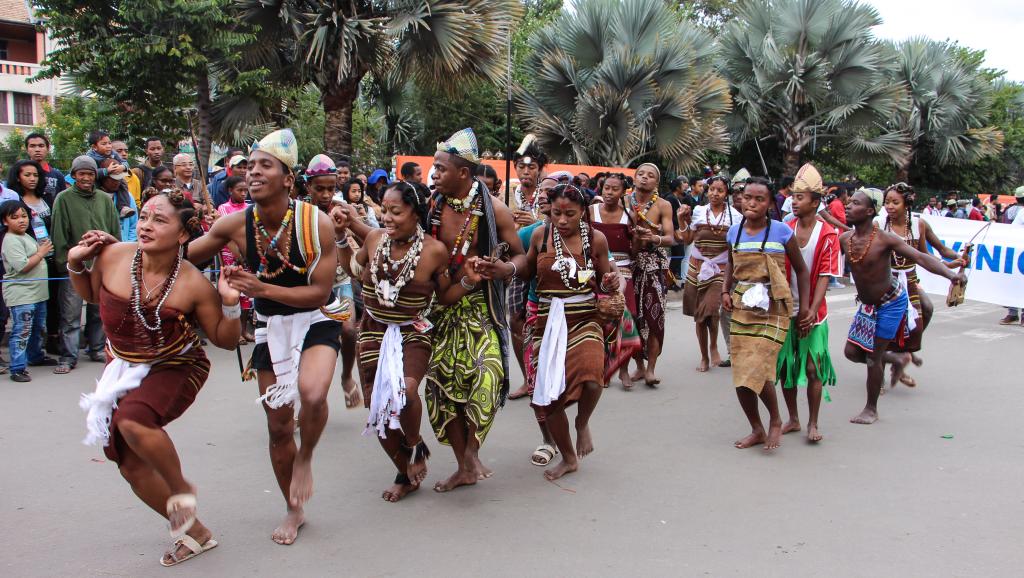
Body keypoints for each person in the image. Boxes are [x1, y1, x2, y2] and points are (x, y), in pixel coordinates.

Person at [345, 128, 525, 492]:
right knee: (442, 390)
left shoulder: (495, 209)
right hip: (435, 310)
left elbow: (520, 254)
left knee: (485, 375)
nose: (435, 174)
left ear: (464, 173)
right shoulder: (431, 206)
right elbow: (388, 234)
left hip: (477, 307)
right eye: (435, 168)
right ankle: (463, 466)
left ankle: (472, 451)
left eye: (442, 168)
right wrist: (350, 223)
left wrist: (506, 270)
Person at [187, 129, 341, 545]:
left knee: (311, 395)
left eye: (264, 165)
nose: (253, 172)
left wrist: (261, 289)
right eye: (250, 166)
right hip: (269, 328)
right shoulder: (234, 224)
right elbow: (185, 256)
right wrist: (137, 244)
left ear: (288, 179)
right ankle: (294, 509)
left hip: (315, 319)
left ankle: (306, 455)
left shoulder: (316, 222)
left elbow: (320, 293)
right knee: (276, 428)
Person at [72, 188, 240, 567]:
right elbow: (89, 294)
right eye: (144, 216)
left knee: (133, 420)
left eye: (159, 220)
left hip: (176, 366)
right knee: (129, 465)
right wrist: (74, 263)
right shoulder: (114, 255)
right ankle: (195, 531)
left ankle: (181, 491)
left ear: (183, 234)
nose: (146, 226)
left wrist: (230, 304)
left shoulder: (194, 283)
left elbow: (226, 342)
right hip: (124, 368)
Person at [347, 181, 447, 501]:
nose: (387, 217)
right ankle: (405, 472)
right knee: (379, 407)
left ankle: (415, 443)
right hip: (374, 329)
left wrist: (472, 280)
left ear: (416, 214)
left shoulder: (433, 250)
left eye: (396, 212)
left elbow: (446, 295)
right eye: (384, 210)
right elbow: (351, 267)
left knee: (405, 389)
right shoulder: (374, 239)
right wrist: (339, 237)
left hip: (413, 331)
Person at [842, 190, 964, 424]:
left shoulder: (885, 238)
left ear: (869, 212)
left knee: (872, 358)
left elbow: (922, 257)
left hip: (891, 301)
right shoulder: (844, 238)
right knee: (852, 353)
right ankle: (897, 359)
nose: (848, 206)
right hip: (868, 305)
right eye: (848, 202)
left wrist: (951, 275)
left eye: (855, 203)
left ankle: (871, 409)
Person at [524, 183, 615, 480]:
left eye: (570, 214)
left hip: (585, 317)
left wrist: (615, 283)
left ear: (583, 213)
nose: (562, 220)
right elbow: (524, 269)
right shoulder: (540, 235)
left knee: (592, 377)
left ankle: (582, 422)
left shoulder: (596, 240)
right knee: (550, 400)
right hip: (548, 321)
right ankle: (568, 458)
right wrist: (500, 269)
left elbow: (609, 277)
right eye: (556, 213)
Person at [721, 177, 810, 451]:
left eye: (760, 199)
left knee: (757, 364)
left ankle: (775, 419)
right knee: (740, 372)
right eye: (748, 197)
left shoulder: (782, 231)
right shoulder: (733, 232)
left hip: (774, 308)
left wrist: (804, 307)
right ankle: (756, 429)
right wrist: (725, 290)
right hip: (741, 307)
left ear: (770, 203)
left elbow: (802, 271)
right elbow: (730, 264)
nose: (752, 202)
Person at [876, 182, 964, 387]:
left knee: (926, 309)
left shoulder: (919, 224)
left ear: (906, 204)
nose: (889, 206)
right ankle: (878, 372)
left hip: (910, 279)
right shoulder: (879, 224)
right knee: (882, 326)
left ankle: (901, 356)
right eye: (887, 202)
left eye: (895, 202)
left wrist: (956, 258)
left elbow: (934, 252)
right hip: (885, 281)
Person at [775, 165, 839, 443]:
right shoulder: (785, 230)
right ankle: (793, 418)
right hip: (786, 309)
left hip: (815, 312)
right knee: (787, 366)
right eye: (793, 197)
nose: (794, 201)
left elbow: (825, 274)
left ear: (815, 201)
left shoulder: (828, 234)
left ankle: (813, 422)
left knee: (813, 368)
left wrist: (810, 311)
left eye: (800, 197)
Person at [51, 156, 121, 374]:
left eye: (90, 174)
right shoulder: (63, 199)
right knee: (71, 314)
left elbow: (114, 229)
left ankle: (97, 348)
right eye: (81, 174)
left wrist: (115, 257)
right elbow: (59, 233)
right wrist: (65, 262)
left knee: (98, 310)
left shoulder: (104, 199)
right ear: (73, 176)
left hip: (102, 263)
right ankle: (68, 356)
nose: (86, 178)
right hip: (75, 265)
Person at [304, 154, 361, 409]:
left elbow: (362, 237)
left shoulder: (344, 209)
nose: (326, 194)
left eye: (331, 188)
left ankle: (347, 376)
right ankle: (300, 398)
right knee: (304, 342)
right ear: (308, 187)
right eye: (320, 189)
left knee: (349, 331)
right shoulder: (298, 213)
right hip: (307, 285)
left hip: (339, 281)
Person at [676, 175, 742, 372]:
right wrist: (681, 220)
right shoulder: (698, 211)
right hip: (697, 267)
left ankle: (713, 346)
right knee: (699, 315)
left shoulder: (735, 216)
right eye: (712, 189)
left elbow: (736, 247)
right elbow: (687, 239)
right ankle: (704, 355)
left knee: (711, 309)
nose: (715, 193)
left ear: (726, 193)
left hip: (721, 269)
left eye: (720, 190)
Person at [590, 173, 643, 389]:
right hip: (595, 271)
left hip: (624, 271)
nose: (609, 193)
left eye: (615, 189)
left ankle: (622, 370)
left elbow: (634, 250)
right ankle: (602, 368)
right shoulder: (590, 211)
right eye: (606, 188)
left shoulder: (630, 215)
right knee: (600, 320)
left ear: (623, 192)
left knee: (624, 317)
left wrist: (639, 239)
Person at [627, 163, 673, 386]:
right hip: (628, 264)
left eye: (650, 175)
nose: (645, 178)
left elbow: (671, 238)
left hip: (653, 265)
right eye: (641, 174)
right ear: (634, 178)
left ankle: (651, 368)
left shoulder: (663, 205)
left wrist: (654, 238)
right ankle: (638, 366)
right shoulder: (623, 203)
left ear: (656, 182)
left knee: (654, 317)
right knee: (631, 317)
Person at [1, 201, 55, 381]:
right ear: (5, 221)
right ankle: (17, 368)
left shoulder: (26, 236)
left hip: (37, 293)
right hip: (22, 295)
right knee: (22, 330)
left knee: (38, 328)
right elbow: (22, 266)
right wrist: (41, 252)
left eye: (24, 216)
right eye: (14, 217)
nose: (21, 220)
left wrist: (42, 251)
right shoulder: (10, 240)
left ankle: (35, 356)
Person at [98, 158, 138, 242]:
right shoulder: (95, 198)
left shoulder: (128, 197)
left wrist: (128, 244)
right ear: (103, 178)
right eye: (113, 179)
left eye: (119, 178)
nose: (117, 182)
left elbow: (134, 226)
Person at [1001, 188, 1024, 324]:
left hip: (1011, 251)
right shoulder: (1020, 212)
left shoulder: (1009, 211)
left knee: (1012, 282)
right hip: (1018, 252)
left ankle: (1013, 312)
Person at [24, 132, 65, 203]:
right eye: (32, 146)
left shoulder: (58, 176)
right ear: (27, 149)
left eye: (41, 146)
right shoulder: (20, 175)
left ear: (48, 148)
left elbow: (63, 201)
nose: (37, 149)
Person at [112, 140, 143, 206]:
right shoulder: (104, 175)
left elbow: (137, 203)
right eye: (119, 151)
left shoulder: (134, 177)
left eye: (126, 151)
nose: (124, 154)